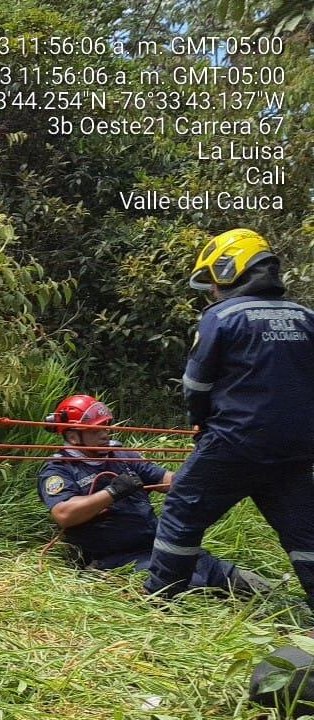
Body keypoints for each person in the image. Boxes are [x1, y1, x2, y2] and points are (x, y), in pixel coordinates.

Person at [145, 229, 314, 609]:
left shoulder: (221, 317)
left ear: (230, 270)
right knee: (305, 530)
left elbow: (196, 384)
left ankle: (161, 599)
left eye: (212, 280)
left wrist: (200, 424)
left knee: (183, 507)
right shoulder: (307, 317)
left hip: (235, 440)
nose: (211, 290)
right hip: (298, 447)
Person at [38, 393, 267, 595]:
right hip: (116, 558)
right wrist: (112, 492)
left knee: (232, 577)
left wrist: (210, 467)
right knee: (190, 586)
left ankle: (270, 598)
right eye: (96, 429)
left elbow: (167, 481)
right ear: (73, 436)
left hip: (159, 545)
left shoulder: (121, 456)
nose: (105, 433)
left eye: (106, 426)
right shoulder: (59, 470)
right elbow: (64, 514)